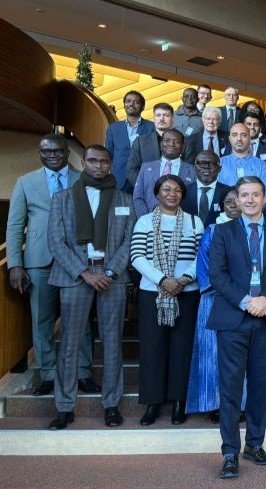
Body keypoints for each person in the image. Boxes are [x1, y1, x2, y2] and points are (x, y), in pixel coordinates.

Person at [208, 176, 266, 478]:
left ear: (264, 198)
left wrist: (265, 298)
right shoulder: (222, 232)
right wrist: (247, 301)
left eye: (255, 195)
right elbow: (217, 275)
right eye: (244, 195)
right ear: (236, 199)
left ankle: (255, 445)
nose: (249, 200)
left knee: (259, 386)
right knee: (231, 387)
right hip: (234, 318)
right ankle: (230, 452)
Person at [47, 144, 135, 430]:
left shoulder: (124, 199)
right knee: (69, 343)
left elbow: (129, 241)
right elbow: (56, 241)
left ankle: (111, 404)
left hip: (112, 277)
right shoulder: (62, 198)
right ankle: (64, 407)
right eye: (93, 161)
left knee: (112, 343)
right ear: (83, 162)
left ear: (111, 164)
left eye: (104, 161)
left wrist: (109, 271)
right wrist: (84, 273)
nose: (99, 166)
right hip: (75, 276)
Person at [7, 134, 98, 397]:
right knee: (42, 320)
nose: (52, 155)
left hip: (77, 261)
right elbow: (15, 225)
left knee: (80, 319)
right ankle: (47, 373)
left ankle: (83, 372)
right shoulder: (25, 182)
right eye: (46, 151)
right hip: (39, 261)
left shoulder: (83, 179)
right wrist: (15, 264)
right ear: (40, 153)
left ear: (67, 152)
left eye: (58, 151)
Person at [186, 188, 266, 423]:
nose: (235, 205)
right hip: (217, 301)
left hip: (255, 303)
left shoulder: (260, 230)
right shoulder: (213, 231)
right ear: (223, 205)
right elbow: (206, 269)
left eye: (240, 199)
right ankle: (218, 404)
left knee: (254, 359)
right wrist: (234, 294)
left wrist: (253, 297)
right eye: (230, 201)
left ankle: (250, 405)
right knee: (218, 358)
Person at [131, 175, 204, 426]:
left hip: (187, 292)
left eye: (177, 190)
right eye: (166, 189)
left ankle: (179, 401)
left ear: (183, 194)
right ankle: (152, 402)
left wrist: (183, 280)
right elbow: (137, 256)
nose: (172, 194)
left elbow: (202, 256)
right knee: (153, 348)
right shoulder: (144, 221)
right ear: (157, 194)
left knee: (182, 348)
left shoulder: (194, 221)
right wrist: (163, 281)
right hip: (152, 293)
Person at [132, 129, 196, 219]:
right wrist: (146, 219)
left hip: (181, 221)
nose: (171, 144)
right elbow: (138, 197)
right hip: (149, 220)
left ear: (183, 146)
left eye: (176, 141)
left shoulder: (193, 170)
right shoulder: (146, 167)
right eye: (167, 140)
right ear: (161, 144)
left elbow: (193, 200)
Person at [105, 90, 155, 192]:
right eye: (128, 101)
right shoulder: (113, 128)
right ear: (124, 105)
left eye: (136, 102)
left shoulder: (151, 127)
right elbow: (108, 154)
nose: (131, 104)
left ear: (142, 107)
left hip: (142, 178)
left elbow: (154, 155)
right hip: (118, 179)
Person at [125, 103, 182, 191]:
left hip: (176, 193)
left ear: (173, 119)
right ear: (154, 118)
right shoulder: (141, 141)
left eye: (166, 115)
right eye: (158, 115)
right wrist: (145, 188)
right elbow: (131, 170)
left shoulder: (183, 141)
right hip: (146, 192)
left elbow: (187, 170)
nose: (161, 119)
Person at [217, 123, 266, 195]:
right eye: (234, 135)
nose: (239, 139)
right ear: (229, 139)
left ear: (249, 138)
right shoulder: (219, 163)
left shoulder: (262, 166)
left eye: (243, 135)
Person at [182, 151, 231, 228]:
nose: (206, 167)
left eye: (212, 163)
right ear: (194, 167)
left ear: (219, 168)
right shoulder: (183, 192)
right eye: (201, 163)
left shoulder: (229, 193)